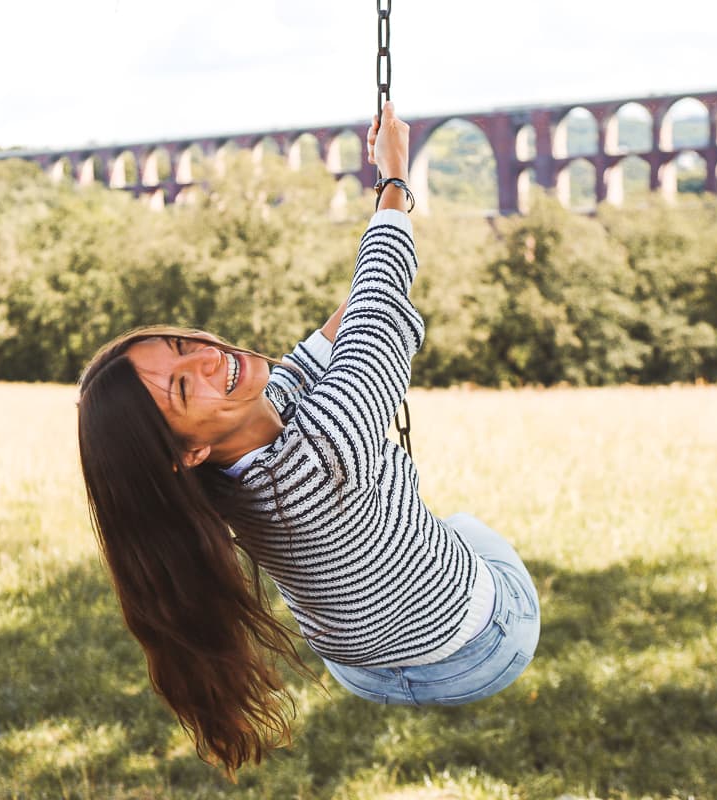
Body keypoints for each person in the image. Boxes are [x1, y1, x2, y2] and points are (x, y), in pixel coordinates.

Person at [76, 102, 540, 775]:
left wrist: (354, 313)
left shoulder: (210, 484)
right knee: (466, 529)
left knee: (416, 516)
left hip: (359, 670)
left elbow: (301, 369)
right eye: (183, 387)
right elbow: (377, 319)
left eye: (181, 345)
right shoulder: (324, 457)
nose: (207, 359)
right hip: (478, 653)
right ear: (187, 451)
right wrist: (394, 182)